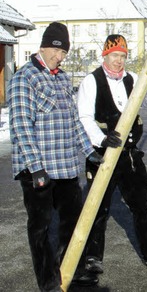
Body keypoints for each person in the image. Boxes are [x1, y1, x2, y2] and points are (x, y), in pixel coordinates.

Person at [8, 22, 99, 290]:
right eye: (56, 51)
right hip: (39, 170)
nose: (59, 57)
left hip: (66, 168)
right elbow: (21, 126)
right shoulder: (25, 78)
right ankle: (48, 282)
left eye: (63, 53)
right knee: (41, 229)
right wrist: (36, 169)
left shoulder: (61, 77)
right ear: (44, 46)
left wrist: (90, 152)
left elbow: (74, 122)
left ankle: (74, 268)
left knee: (72, 222)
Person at [77, 34, 147, 275]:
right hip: (102, 155)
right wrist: (102, 139)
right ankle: (91, 258)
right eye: (114, 56)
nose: (119, 61)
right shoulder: (91, 81)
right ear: (105, 55)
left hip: (130, 156)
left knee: (141, 206)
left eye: (123, 56)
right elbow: (84, 118)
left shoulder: (132, 78)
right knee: (97, 208)